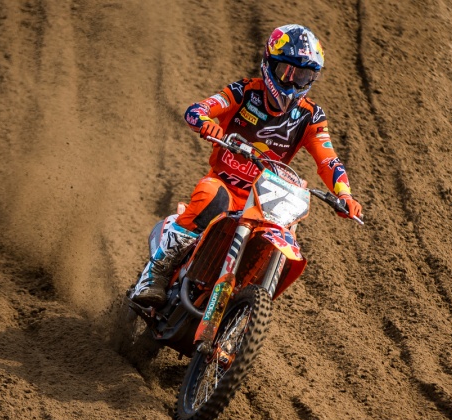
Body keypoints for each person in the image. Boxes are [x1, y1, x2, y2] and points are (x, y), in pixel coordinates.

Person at [131, 24, 363, 307]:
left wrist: (344, 195)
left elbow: (328, 159)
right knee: (209, 198)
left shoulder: (311, 116)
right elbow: (197, 110)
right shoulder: (243, 92)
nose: (292, 84)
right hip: (225, 185)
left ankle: (244, 301)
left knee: (286, 232)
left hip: (265, 200)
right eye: (287, 72)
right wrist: (206, 123)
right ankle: (154, 276)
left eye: (303, 76)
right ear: (269, 64)